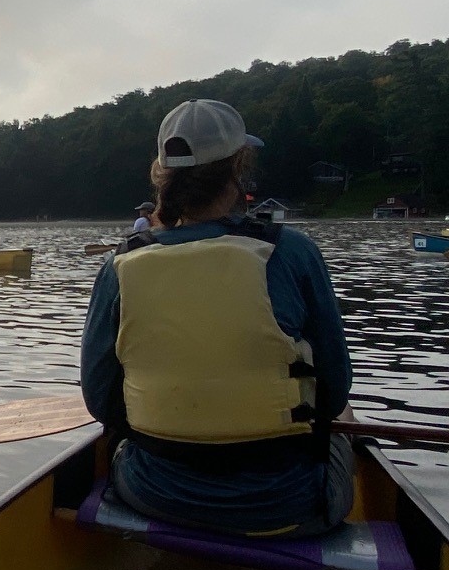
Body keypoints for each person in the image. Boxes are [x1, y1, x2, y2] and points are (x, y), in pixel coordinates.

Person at [81, 98, 353, 538]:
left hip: (154, 492)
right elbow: (335, 391)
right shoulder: (293, 252)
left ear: (163, 173)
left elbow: (102, 402)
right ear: (238, 165)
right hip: (287, 505)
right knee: (345, 422)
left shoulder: (118, 267)